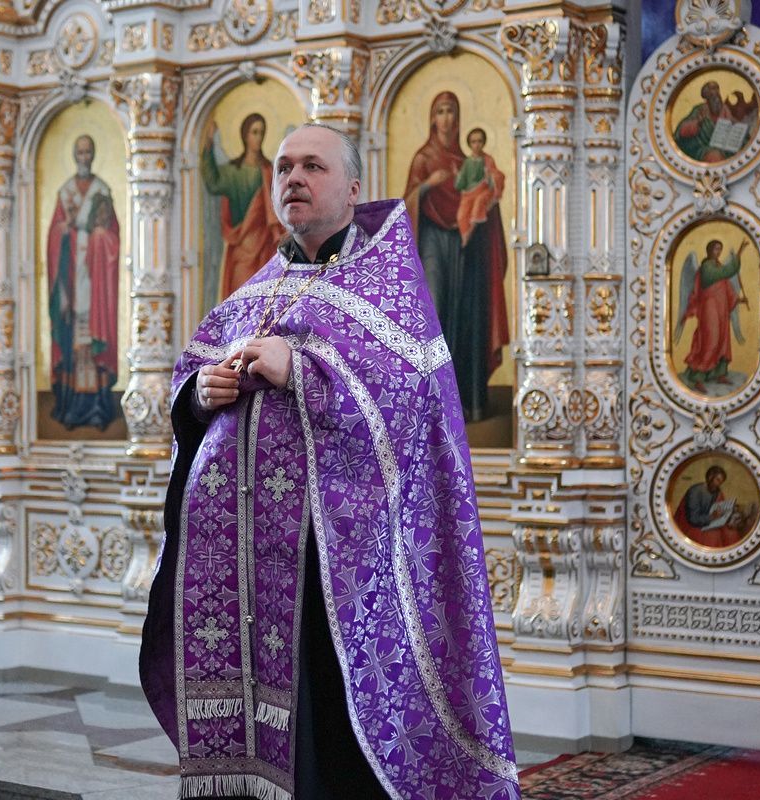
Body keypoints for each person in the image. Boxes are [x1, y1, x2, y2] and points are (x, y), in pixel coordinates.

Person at [141, 123, 519, 799]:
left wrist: (302, 370)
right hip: (248, 557)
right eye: (283, 167)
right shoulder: (258, 288)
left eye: (312, 166)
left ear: (352, 188)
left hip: (342, 560)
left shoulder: (389, 287)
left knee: (330, 724)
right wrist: (199, 393)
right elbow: (192, 374)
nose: (293, 177)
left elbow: (412, 400)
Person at [404, 93, 508, 422]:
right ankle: (433, 409)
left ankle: (468, 402)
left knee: (467, 317)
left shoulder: (468, 162)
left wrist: (487, 203)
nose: (446, 118)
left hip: (466, 245)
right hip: (432, 243)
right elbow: (406, 206)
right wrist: (426, 186)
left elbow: (485, 198)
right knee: (436, 314)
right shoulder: (423, 158)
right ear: (432, 118)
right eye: (441, 112)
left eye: (451, 111)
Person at [47, 134, 121, 429]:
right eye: (79, 152)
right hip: (71, 279)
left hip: (96, 282)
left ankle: (98, 407)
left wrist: (101, 237)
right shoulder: (65, 192)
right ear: (74, 156)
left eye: (88, 152)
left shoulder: (102, 190)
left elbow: (113, 234)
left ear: (93, 155)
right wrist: (63, 231)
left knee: (92, 335)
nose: (84, 157)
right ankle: (71, 406)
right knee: (74, 337)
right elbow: (53, 234)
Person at [201, 113, 284, 303]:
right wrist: (208, 145)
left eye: (261, 132)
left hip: (265, 248)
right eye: (254, 132)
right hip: (242, 246)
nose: (258, 137)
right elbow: (213, 184)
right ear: (245, 135)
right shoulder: (233, 172)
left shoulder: (269, 171)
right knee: (240, 299)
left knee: (264, 301)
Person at [677, 239, 750, 393]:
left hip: (722, 308)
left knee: (723, 339)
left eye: (720, 249)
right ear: (710, 250)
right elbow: (725, 272)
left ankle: (718, 374)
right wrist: (739, 253)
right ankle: (697, 377)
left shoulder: (718, 267)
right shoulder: (706, 268)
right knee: (711, 339)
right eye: (716, 249)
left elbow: (727, 288)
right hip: (709, 308)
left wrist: (738, 299)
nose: (719, 252)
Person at [672, 80, 757, 163]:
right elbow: (681, 130)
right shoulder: (700, 109)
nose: (716, 97)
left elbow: (733, 122)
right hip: (702, 146)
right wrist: (698, 121)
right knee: (714, 156)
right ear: (707, 97)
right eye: (712, 95)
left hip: (724, 146)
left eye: (717, 93)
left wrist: (739, 128)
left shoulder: (724, 109)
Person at [673, 465, 747, 548]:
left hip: (711, 522)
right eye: (718, 480)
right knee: (713, 536)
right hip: (692, 526)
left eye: (721, 482)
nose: (719, 484)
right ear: (710, 477)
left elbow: (721, 508)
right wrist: (711, 517)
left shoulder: (717, 492)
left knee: (732, 534)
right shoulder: (695, 491)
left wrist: (730, 513)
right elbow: (693, 519)